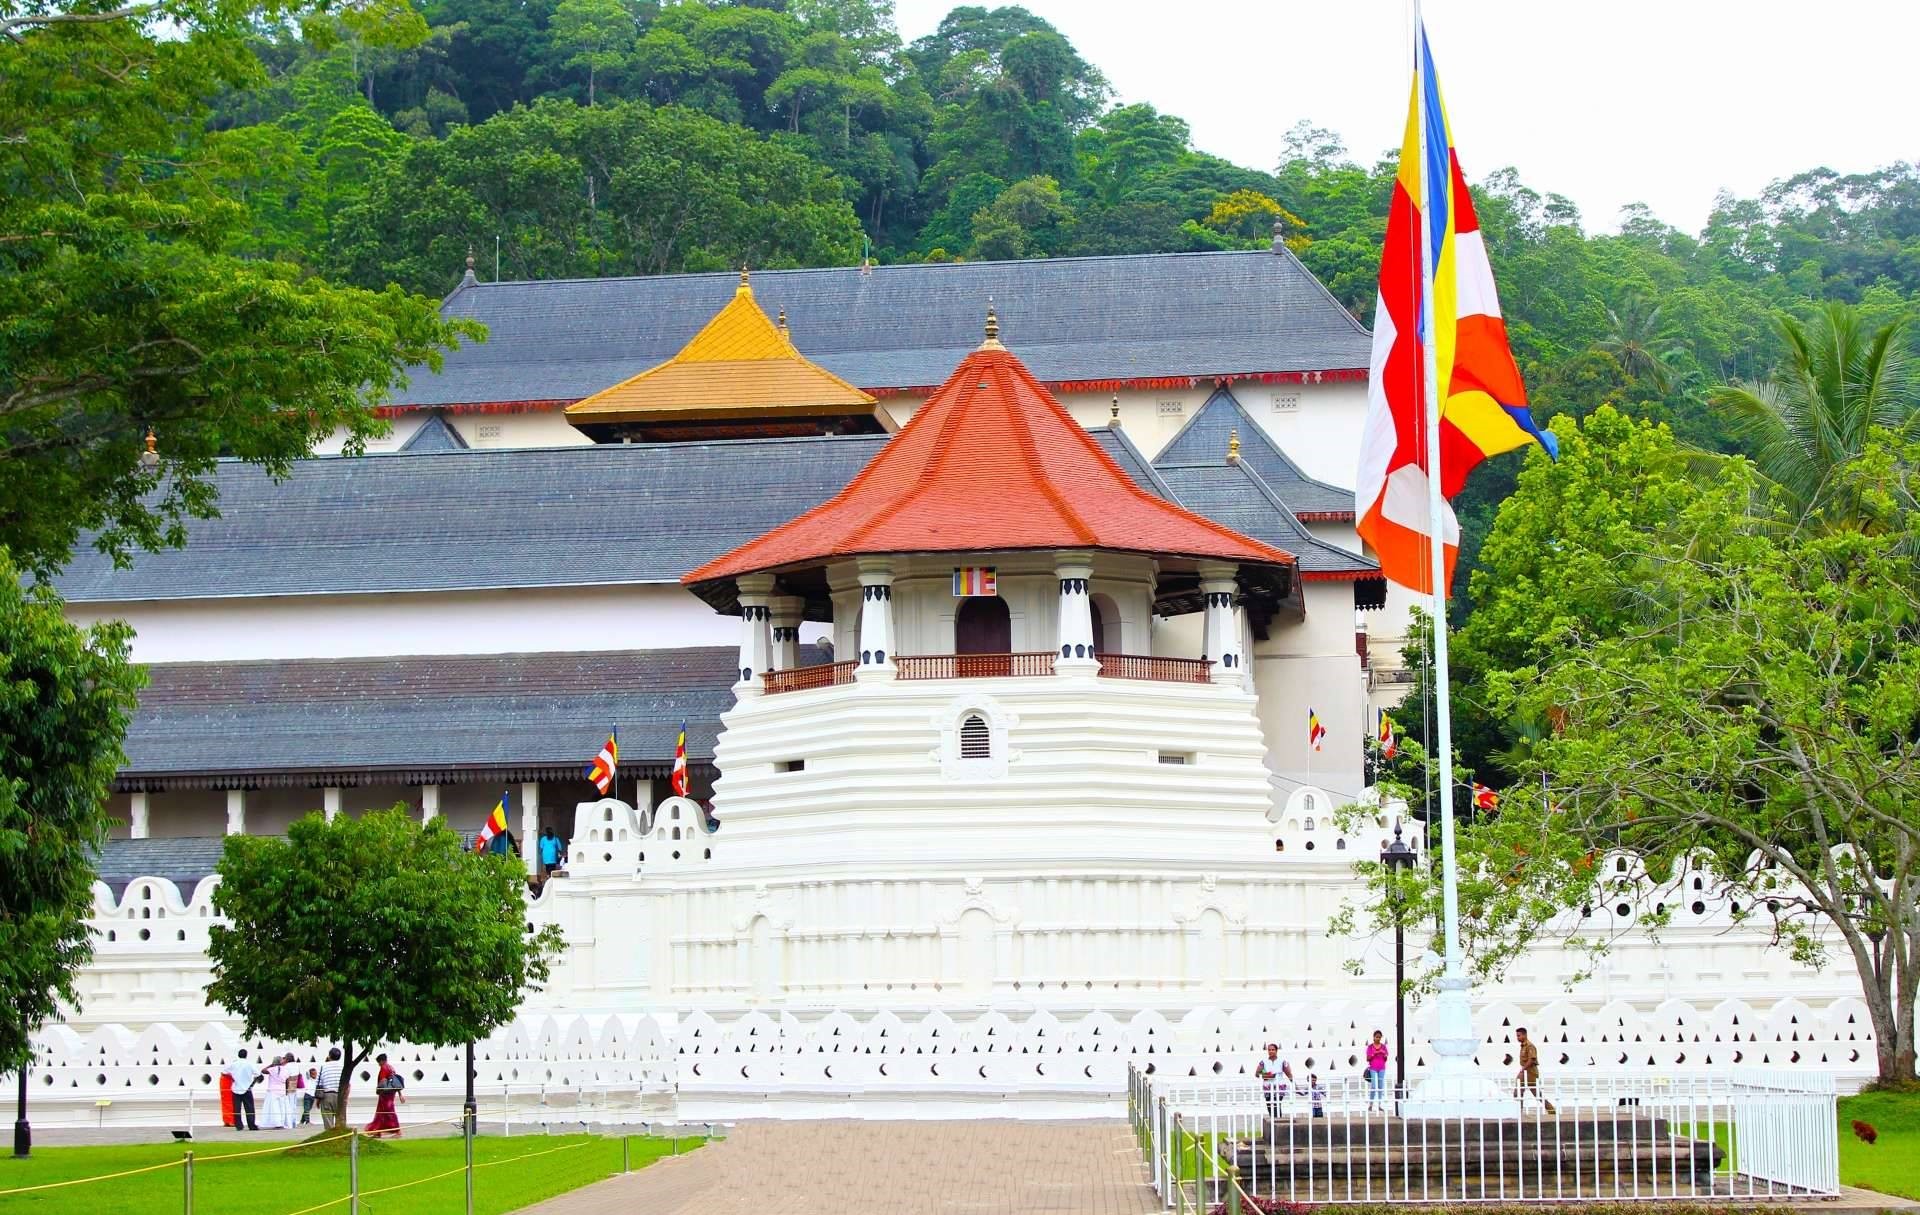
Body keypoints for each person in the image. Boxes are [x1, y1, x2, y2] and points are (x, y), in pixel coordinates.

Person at [1515, 1027, 1556, 1114]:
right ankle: (1551, 1109)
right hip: (1526, 1071)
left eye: (1519, 1036)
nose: (1518, 1038)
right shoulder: (1523, 1046)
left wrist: (1523, 1069)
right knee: (1534, 1093)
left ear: (1525, 1035)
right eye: (1517, 1036)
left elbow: (1532, 1059)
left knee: (1519, 1090)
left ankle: (1518, 1111)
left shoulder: (1530, 1046)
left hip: (1529, 1072)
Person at [365, 1053, 405, 1138]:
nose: (379, 1065)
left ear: (382, 1061)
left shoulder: (384, 1068)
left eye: (379, 1062)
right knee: (382, 1112)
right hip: (391, 1094)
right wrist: (400, 1094)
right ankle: (378, 1131)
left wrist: (378, 1090)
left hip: (385, 1094)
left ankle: (397, 1131)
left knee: (389, 1112)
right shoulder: (391, 1068)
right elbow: (396, 1083)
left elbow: (382, 1081)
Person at [1253, 1043, 1293, 1121]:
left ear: (1276, 1051)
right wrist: (1266, 1074)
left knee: (1276, 1103)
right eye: (1269, 1050)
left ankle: (1278, 1121)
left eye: (1273, 1050)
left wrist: (1294, 1083)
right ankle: (1273, 1122)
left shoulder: (1282, 1061)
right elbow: (1257, 1073)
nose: (1271, 1051)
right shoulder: (1263, 1061)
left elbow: (1288, 1073)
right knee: (1269, 1104)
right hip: (1267, 1086)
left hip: (1279, 1086)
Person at [223, 1049, 260, 1131]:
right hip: (247, 1088)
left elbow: (224, 1072)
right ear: (246, 1055)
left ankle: (239, 1125)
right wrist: (252, 1084)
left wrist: (232, 1078)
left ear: (238, 1055)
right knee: (249, 1108)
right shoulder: (250, 1064)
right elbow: (258, 1074)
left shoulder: (234, 1064)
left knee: (236, 1108)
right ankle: (251, 1125)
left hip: (236, 1088)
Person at [316, 1047, 344, 1131]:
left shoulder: (323, 1066)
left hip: (326, 1096)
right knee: (340, 1120)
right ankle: (339, 1138)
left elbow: (319, 1083)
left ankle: (330, 1139)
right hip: (340, 1096)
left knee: (328, 1121)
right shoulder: (343, 1067)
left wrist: (318, 1099)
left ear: (329, 1056)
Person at [260, 1054, 288, 1129]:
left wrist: (271, 1064)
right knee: (282, 1107)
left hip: (273, 1091)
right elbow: (287, 1080)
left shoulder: (272, 1069)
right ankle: (281, 1122)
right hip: (282, 1090)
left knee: (275, 1108)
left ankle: (277, 1123)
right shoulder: (286, 1069)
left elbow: (263, 1070)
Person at [1365, 1030, 1389, 1111]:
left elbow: (1386, 1058)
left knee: (1380, 1086)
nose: (1378, 1039)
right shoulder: (1370, 1047)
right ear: (1373, 1037)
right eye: (1376, 1037)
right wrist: (1374, 1054)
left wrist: (1384, 1054)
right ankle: (1370, 1105)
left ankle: (1379, 1105)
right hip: (1373, 1068)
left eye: (1379, 1037)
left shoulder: (1383, 1047)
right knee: (1373, 1086)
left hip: (1382, 1067)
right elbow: (1367, 1059)